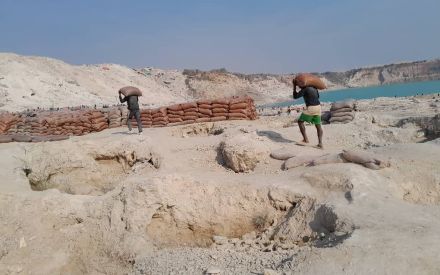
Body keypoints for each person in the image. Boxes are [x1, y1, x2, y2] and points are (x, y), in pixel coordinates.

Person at [292, 79, 323, 148]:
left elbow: (295, 96)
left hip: (311, 107)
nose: (299, 86)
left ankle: (305, 139)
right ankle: (320, 144)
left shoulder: (305, 89)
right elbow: (318, 97)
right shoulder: (314, 88)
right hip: (318, 107)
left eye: (299, 85)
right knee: (318, 125)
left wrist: (294, 86)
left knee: (300, 121)